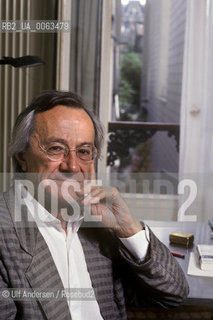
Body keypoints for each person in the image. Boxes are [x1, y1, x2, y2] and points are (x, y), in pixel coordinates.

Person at [0, 90, 189, 320]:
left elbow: (173, 294)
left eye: (83, 151)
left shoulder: (98, 226)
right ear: (22, 156)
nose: (72, 166)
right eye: (56, 148)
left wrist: (128, 228)